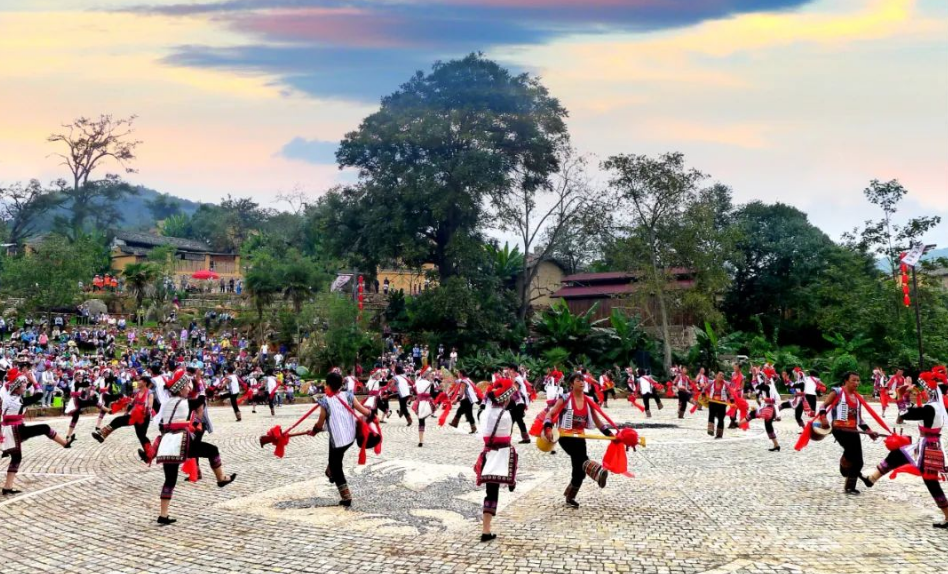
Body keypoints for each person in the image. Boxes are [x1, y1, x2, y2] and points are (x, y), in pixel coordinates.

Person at [154, 369, 236, 525]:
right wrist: (203, 386)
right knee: (212, 450)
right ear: (180, 388)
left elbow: (162, 424)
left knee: (170, 480)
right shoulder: (185, 403)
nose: (188, 389)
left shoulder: (167, 403)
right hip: (181, 442)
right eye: (186, 386)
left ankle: (163, 515)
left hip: (166, 443)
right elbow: (201, 400)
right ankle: (221, 478)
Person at [543, 373, 614, 508]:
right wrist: (547, 427)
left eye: (583, 380)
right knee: (582, 459)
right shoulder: (564, 398)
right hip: (565, 437)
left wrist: (610, 434)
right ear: (571, 384)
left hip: (580, 437)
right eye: (578, 380)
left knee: (580, 470)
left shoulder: (589, 400)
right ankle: (598, 472)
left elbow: (598, 421)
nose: (582, 382)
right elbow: (551, 413)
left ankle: (570, 496)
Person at [310, 371, 375, 507]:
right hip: (350, 437)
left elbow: (320, 423)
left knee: (336, 465)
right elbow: (364, 411)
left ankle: (346, 496)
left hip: (338, 441)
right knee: (335, 458)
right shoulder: (349, 396)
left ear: (327, 385)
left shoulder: (325, 402)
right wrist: (373, 416)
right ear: (341, 385)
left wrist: (314, 430)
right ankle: (331, 470)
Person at [2, 374, 74, 495]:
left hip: (10, 429)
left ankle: (7, 487)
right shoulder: (19, 400)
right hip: (15, 429)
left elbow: (20, 387)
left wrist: (27, 380)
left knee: (16, 457)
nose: (25, 388)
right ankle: (65, 444)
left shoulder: (8, 395)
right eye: (23, 386)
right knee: (44, 428)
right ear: (17, 388)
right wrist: (34, 381)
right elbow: (39, 395)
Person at [816, 371, 881, 495]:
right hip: (839, 429)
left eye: (858, 380)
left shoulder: (858, 397)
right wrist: (824, 419)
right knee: (852, 454)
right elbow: (823, 406)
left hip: (853, 430)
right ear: (846, 381)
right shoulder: (837, 392)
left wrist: (869, 431)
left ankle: (850, 486)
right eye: (854, 380)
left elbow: (859, 419)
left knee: (859, 461)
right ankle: (847, 468)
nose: (856, 383)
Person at [473, 377, 519, 542]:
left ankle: (486, 530)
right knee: (496, 489)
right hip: (502, 456)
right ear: (505, 398)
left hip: (489, 454)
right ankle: (511, 480)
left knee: (490, 492)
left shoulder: (484, 414)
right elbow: (507, 435)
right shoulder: (506, 416)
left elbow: (483, 434)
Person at [92, 372, 155, 463]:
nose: (138, 381)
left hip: (143, 418)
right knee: (119, 421)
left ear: (145, 382)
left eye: (140, 380)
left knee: (141, 436)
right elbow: (132, 404)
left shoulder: (149, 393)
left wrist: (146, 410)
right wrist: (126, 410)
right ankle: (102, 435)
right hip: (134, 416)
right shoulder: (137, 392)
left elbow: (150, 406)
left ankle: (149, 455)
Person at [704, 372, 735, 439]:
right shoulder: (711, 383)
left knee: (721, 419)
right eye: (720, 375)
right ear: (716, 375)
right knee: (711, 415)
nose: (721, 376)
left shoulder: (726, 384)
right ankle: (710, 430)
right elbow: (704, 389)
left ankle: (719, 434)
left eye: (723, 375)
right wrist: (703, 394)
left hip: (722, 404)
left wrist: (732, 401)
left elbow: (730, 392)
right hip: (712, 402)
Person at [412, 370, 436, 447]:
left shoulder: (417, 383)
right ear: (427, 376)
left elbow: (414, 392)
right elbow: (433, 394)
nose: (430, 376)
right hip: (426, 403)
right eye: (429, 375)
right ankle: (421, 440)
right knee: (423, 419)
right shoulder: (430, 384)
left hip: (419, 403)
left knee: (421, 421)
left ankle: (420, 440)